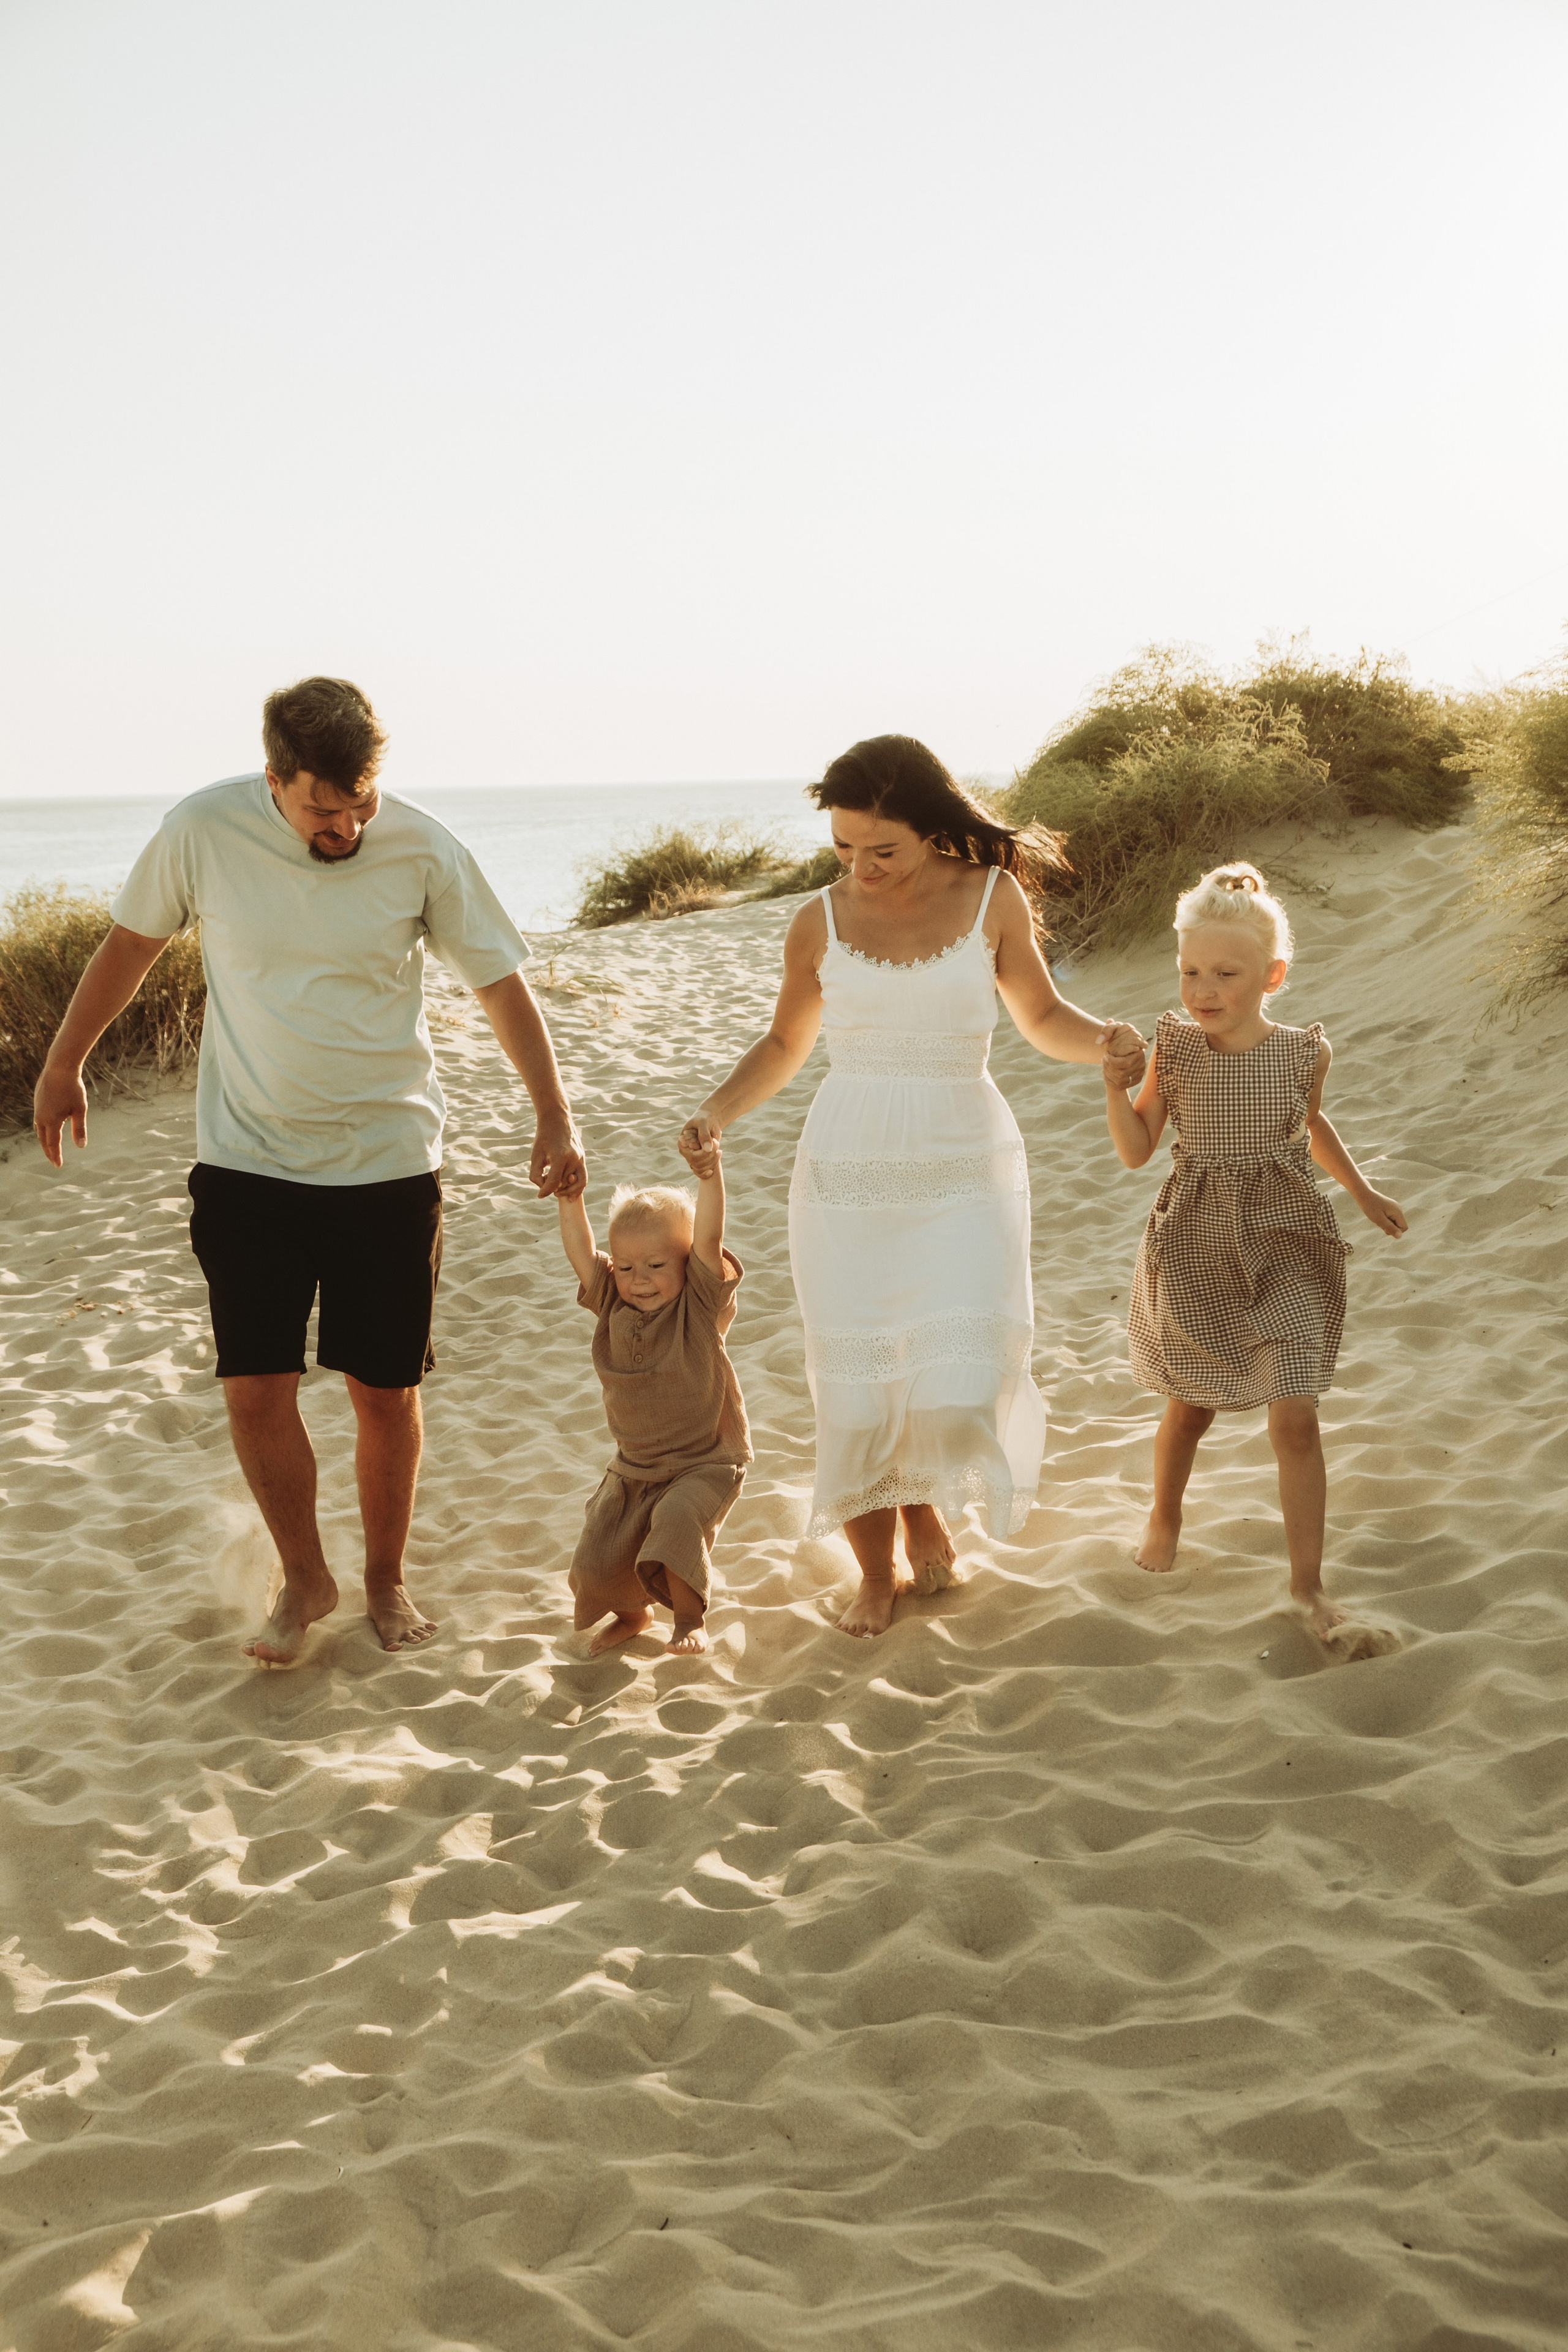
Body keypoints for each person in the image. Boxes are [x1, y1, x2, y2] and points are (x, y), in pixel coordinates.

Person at [31, 676, 584, 1665]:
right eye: (324, 807)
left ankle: (384, 1578)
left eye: (362, 800)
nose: (347, 824)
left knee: (384, 1393)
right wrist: (64, 1063)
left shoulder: (421, 845)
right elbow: (131, 943)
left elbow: (499, 981)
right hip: (248, 1164)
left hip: (387, 1164)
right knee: (256, 1387)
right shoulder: (204, 829)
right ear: (275, 780)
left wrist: (553, 1113)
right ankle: (304, 1576)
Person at [678, 734, 1145, 1639]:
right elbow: (785, 1046)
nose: (862, 867)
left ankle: (923, 1506)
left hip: (966, 1161)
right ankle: (875, 1572)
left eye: (881, 850)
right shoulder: (817, 920)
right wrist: (718, 1110)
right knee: (857, 1384)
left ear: (933, 832)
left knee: (950, 1380)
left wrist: (1110, 1041)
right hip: (848, 1169)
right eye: (844, 848)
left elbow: (1043, 1017)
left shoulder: (990, 899)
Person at [1102, 862, 1407, 1654]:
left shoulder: (1303, 1053)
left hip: (1287, 1240)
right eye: (1189, 972)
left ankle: (1308, 1583)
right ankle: (1164, 1513)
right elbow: (1136, 1151)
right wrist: (1113, 1085)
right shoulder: (1174, 1048)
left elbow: (1312, 1128)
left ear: (1271, 976)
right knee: (1191, 1406)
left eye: (1225, 974)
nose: (1202, 989)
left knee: (1296, 1414)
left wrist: (1364, 1192)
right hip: (1199, 1241)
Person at [556, 1140, 750, 1656]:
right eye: (625, 1267)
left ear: (688, 1264)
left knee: (674, 1526)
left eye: (656, 1266)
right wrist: (569, 1200)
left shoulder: (699, 1304)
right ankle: (634, 1614)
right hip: (634, 1466)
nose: (638, 1280)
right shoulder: (613, 1303)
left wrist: (710, 1177)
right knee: (598, 1558)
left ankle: (689, 1620)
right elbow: (581, 1252)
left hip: (704, 1460)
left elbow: (709, 1235)